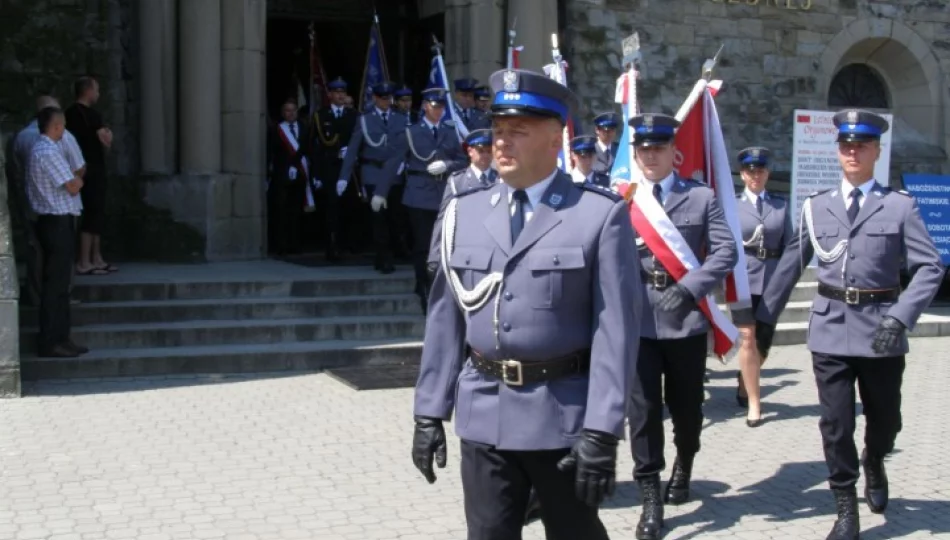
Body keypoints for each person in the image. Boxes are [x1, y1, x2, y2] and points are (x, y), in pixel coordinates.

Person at [411, 68, 642, 540]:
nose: (502, 142)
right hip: (484, 415)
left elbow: (615, 332)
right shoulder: (464, 211)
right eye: (498, 130)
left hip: (563, 420)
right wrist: (429, 409)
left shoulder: (597, 215)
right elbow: (445, 318)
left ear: (557, 138)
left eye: (518, 131)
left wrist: (602, 428)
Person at [754, 110, 944, 540]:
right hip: (830, 328)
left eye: (861, 145)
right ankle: (845, 508)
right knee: (835, 424)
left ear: (877, 150)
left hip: (881, 330)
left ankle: (874, 459)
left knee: (886, 419)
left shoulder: (899, 206)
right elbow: (791, 263)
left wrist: (900, 316)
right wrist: (765, 317)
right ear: (837, 151)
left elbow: (929, 267)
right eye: (845, 145)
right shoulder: (815, 206)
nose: (852, 152)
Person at [624, 113, 738, 540]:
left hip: (686, 321)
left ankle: (685, 463)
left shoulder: (700, 197)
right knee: (643, 413)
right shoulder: (625, 198)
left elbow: (726, 252)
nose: (651, 155)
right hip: (638, 322)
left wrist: (691, 289)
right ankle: (650, 500)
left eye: (658, 148)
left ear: (674, 152)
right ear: (635, 153)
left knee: (688, 411)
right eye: (644, 149)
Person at [384, 87, 466, 312]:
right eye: (434, 106)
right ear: (424, 106)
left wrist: (447, 165)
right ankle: (423, 285)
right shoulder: (412, 131)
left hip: (443, 193)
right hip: (418, 193)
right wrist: (381, 192)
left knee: (443, 243)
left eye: (441, 107)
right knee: (422, 244)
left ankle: (439, 283)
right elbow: (393, 162)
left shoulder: (449, 131)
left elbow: (463, 160)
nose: (438, 110)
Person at [729, 147, 792, 427]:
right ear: (742, 175)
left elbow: (791, 246)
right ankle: (755, 404)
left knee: (763, 340)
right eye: (750, 171)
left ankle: (745, 376)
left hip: (772, 280)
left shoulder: (781, 204)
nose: (755, 176)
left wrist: (786, 279)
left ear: (767, 173)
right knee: (747, 338)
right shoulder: (731, 206)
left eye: (760, 171)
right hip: (743, 280)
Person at [26, 107, 87, 358]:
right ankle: (51, 340)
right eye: (63, 126)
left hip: (59, 222)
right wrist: (79, 180)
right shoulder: (47, 152)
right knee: (55, 285)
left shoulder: (47, 150)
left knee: (62, 285)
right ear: (57, 127)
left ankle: (62, 336)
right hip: (55, 222)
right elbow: (73, 185)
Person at [337, 82, 408, 274]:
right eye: (383, 98)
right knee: (379, 217)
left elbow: (407, 144)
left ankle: (389, 253)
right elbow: (353, 149)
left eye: (389, 98)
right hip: (373, 173)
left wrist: (405, 162)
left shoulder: (400, 119)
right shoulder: (365, 120)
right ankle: (384, 258)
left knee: (395, 216)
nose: (387, 102)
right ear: (375, 98)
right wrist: (343, 176)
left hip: (394, 174)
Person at [64, 76, 115, 275]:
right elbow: (105, 141)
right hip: (90, 167)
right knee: (93, 212)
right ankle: (85, 260)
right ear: (87, 91)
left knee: (95, 212)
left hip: (81, 167)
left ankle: (95, 258)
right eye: (96, 90)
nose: (98, 94)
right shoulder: (89, 115)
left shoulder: (69, 114)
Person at [312, 77, 358, 262]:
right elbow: (315, 147)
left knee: (350, 207)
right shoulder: (320, 116)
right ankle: (332, 246)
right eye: (337, 92)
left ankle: (349, 244)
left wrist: (351, 151)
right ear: (330, 95)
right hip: (330, 168)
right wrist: (316, 174)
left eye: (343, 92)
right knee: (331, 209)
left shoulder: (353, 115)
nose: (340, 96)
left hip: (350, 169)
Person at [267, 98, 311, 256]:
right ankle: (281, 245)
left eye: (293, 110)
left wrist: (296, 164)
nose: (291, 113)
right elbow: (273, 152)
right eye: (287, 110)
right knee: (282, 211)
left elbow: (307, 148)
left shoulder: (304, 127)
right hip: (282, 175)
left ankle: (296, 244)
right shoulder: (277, 129)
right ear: (283, 113)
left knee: (297, 211)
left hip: (300, 173)